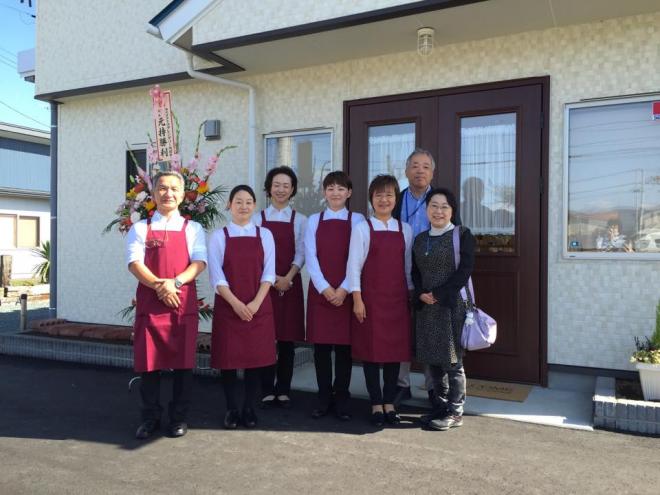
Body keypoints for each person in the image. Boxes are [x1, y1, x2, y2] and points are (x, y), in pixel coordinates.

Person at [126, 171, 207, 439]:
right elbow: (135, 264)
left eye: (174, 189)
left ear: (183, 195)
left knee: (184, 365)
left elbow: (199, 263)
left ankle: (178, 418)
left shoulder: (193, 228)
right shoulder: (140, 228)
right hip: (151, 304)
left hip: (182, 305)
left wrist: (176, 283)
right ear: (154, 193)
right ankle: (150, 418)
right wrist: (162, 287)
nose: (168, 193)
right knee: (149, 366)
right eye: (162, 188)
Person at [208, 185, 277, 429]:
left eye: (249, 202)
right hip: (229, 307)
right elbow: (217, 277)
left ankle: (249, 408)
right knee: (228, 361)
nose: (244, 206)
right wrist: (237, 304)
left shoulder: (265, 235)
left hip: (258, 305)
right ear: (229, 204)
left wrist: (256, 303)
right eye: (238, 201)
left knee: (254, 361)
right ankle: (231, 409)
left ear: (255, 206)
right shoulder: (218, 236)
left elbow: (269, 273)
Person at [347, 174, 413, 426]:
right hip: (371, 301)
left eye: (389, 195)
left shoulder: (404, 229)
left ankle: (390, 403)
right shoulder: (362, 228)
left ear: (396, 199)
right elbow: (354, 267)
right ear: (371, 199)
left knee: (395, 354)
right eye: (378, 195)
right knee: (372, 355)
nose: (384, 200)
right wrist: (357, 299)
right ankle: (376, 403)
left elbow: (407, 268)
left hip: (397, 301)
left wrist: (409, 294)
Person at [412, 188, 475, 431]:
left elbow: (465, 271)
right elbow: (414, 272)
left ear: (452, 210)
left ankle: (455, 412)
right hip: (426, 306)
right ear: (427, 210)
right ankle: (438, 407)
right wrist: (420, 294)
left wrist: (438, 294)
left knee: (452, 361)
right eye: (434, 206)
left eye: (444, 206)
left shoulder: (463, 235)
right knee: (431, 359)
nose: (439, 211)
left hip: (451, 305)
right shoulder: (420, 239)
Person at [305, 171, 365, 421]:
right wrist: (325, 289)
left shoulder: (358, 220)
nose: (336, 193)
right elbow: (311, 256)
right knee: (320, 350)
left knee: (343, 350)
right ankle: (322, 398)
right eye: (331, 188)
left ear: (349, 193)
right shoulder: (313, 221)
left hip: (347, 291)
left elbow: (358, 258)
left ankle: (342, 398)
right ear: (324, 192)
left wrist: (343, 288)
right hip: (321, 293)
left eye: (341, 189)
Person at [254, 166, 307, 408]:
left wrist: (288, 276)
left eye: (286, 185)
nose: (281, 189)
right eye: (277, 184)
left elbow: (302, 252)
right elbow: (256, 253)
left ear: (293, 189)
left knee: (286, 339)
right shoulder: (257, 219)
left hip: (290, 283)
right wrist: (272, 277)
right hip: (264, 286)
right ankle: (266, 387)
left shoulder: (300, 220)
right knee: (265, 337)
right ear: (269, 188)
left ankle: (283, 388)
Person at [391, 148, 439, 407]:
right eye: (415, 166)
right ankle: (402, 384)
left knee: (430, 330)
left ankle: (433, 386)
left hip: (432, 274)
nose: (420, 171)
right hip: (402, 272)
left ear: (432, 172)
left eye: (425, 166)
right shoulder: (396, 200)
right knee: (402, 329)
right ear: (407, 170)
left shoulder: (442, 200)